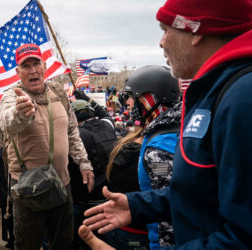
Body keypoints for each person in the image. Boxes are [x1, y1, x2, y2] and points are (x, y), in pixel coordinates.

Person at [84, 0, 252, 249]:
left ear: (195, 31)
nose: (161, 42)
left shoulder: (242, 97)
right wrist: (139, 205)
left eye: (165, 30)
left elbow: (244, 236)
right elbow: (203, 194)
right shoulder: (215, 91)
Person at [0, 43, 94, 250]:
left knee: (63, 243)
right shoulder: (11, 96)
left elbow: (72, 131)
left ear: (44, 67)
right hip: (26, 189)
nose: (32, 70)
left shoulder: (58, 92)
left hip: (61, 183)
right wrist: (20, 113)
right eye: (26, 66)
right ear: (18, 71)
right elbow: (7, 122)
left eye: (36, 64)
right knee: (27, 246)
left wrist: (84, 163)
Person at [69, 90, 117, 249]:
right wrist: (87, 98)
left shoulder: (77, 138)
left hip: (88, 203)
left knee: (84, 241)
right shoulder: (108, 126)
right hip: (111, 197)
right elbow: (105, 114)